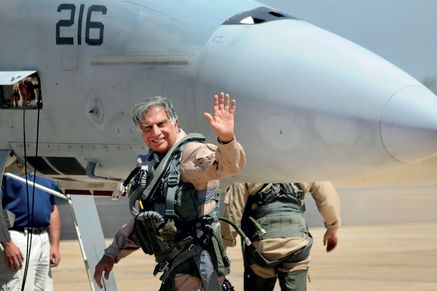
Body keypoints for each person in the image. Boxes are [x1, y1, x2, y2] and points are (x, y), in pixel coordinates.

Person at [94, 92, 246, 291]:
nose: (156, 132)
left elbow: (229, 166)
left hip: (198, 269)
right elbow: (147, 220)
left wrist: (226, 139)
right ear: (141, 132)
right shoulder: (154, 163)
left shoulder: (191, 153)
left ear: (175, 123)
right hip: (177, 269)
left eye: (161, 124)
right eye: (148, 127)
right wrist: (111, 254)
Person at [221, 182, 341, 291]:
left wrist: (224, 245)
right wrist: (332, 227)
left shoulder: (251, 166)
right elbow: (327, 196)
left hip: (262, 247)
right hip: (297, 243)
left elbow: (233, 211)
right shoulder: (303, 163)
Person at [0, 172, 61, 291]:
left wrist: (54, 245)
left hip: (43, 239)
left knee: (44, 288)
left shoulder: (45, 172)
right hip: (16, 238)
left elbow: (52, 208)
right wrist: (6, 243)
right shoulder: (6, 168)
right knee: (17, 287)